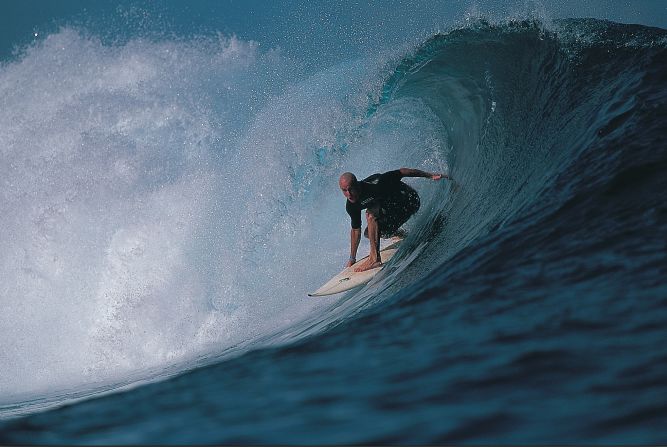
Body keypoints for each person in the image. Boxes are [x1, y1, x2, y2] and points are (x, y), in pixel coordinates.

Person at [339, 168, 449, 272]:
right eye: (344, 190)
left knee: (370, 214)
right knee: (369, 233)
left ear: (356, 184)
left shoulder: (377, 183)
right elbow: (355, 230)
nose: (348, 194)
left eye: (350, 189)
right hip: (394, 211)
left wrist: (429, 175)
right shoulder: (351, 205)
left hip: (409, 200)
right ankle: (403, 235)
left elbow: (403, 172)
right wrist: (352, 258)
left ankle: (375, 259)